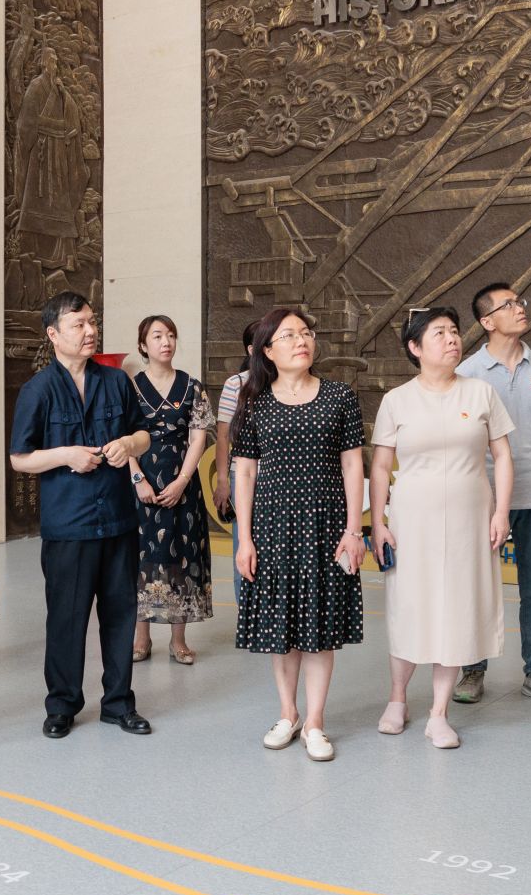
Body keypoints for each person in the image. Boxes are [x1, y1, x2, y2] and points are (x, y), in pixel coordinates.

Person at [9, 292, 153, 740]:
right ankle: (62, 705)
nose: (90, 331)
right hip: (69, 524)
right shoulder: (38, 390)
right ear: (53, 334)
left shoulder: (116, 381)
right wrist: (65, 455)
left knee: (120, 615)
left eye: (92, 322)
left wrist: (128, 445)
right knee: (67, 619)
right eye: (79, 324)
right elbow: (19, 458)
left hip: (118, 518)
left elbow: (144, 435)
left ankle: (119, 703)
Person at [368, 308, 514, 748]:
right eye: (439, 333)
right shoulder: (397, 400)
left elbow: (503, 456)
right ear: (414, 347)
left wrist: (501, 512)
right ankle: (397, 699)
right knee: (409, 606)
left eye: (454, 331)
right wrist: (377, 523)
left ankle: (439, 713)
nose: (452, 339)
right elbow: (380, 467)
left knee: (456, 609)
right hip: (412, 521)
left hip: (471, 520)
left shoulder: (481, 393)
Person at [230, 306, 365, 762]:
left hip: (326, 526)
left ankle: (315, 722)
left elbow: (352, 465)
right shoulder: (253, 401)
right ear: (267, 350)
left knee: (319, 626)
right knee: (282, 625)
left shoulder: (339, 396)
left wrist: (353, 529)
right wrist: (245, 539)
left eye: (305, 332)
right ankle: (288, 713)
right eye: (288, 335)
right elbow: (245, 472)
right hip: (272, 527)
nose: (301, 340)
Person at [457, 283, 531, 707]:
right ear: (487, 321)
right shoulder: (467, 371)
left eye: (519, 302)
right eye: (508, 305)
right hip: (481, 499)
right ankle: (473, 670)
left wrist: (529, 464)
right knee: (477, 588)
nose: (520, 308)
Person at [129, 315, 212, 664]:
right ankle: (141, 638)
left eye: (171, 335)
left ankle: (178, 641)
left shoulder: (192, 386)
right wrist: (137, 479)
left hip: (183, 486)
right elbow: (122, 439)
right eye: (157, 336)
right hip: (142, 485)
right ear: (143, 345)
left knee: (182, 556)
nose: (166, 342)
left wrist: (182, 481)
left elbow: (198, 438)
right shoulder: (130, 388)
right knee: (140, 559)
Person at [212, 318, 262, 608]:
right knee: (244, 545)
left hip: (279, 479)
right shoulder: (236, 384)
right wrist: (222, 481)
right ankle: (246, 614)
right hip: (242, 477)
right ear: (252, 349)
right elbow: (223, 436)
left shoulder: (286, 384)